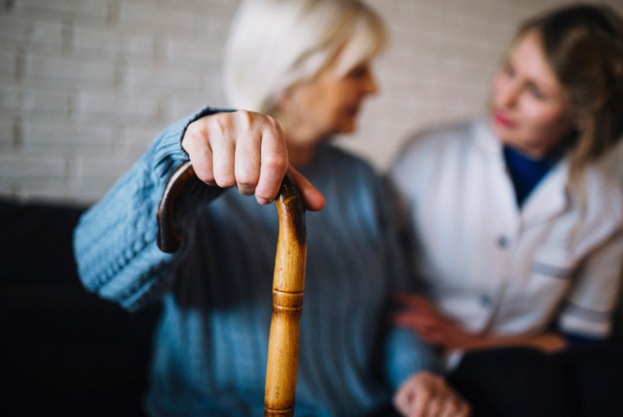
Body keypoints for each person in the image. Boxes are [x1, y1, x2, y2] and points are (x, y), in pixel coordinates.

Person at [73, 1, 470, 416]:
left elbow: (398, 306)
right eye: (357, 71)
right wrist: (180, 163)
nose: (373, 88)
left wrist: (417, 374)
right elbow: (100, 274)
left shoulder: (364, 182)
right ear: (292, 79)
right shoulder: (206, 172)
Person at [389, 4, 623, 417]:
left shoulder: (607, 207)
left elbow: (581, 337)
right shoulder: (427, 154)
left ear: (581, 115)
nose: (506, 96)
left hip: (523, 371)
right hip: (418, 362)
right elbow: (374, 270)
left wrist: (468, 341)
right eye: (509, 70)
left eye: (536, 92)